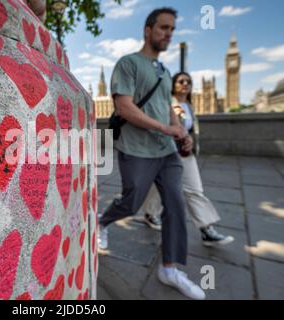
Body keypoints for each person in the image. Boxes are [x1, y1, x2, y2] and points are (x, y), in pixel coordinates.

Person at [98, 8, 205, 300]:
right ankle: (103, 221)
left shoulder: (165, 72)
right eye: (163, 28)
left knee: (176, 205)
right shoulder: (128, 63)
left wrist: (179, 131)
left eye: (172, 29)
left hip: (166, 152)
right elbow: (125, 108)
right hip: (136, 150)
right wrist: (164, 128)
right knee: (131, 202)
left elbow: (168, 107)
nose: (169, 34)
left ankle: (170, 268)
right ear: (148, 30)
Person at [142, 72, 235, 247]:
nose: (186, 84)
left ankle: (206, 229)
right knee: (160, 187)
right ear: (173, 84)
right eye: (181, 81)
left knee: (194, 190)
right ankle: (150, 213)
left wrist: (190, 138)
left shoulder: (189, 105)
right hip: (167, 153)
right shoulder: (166, 103)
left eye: (188, 82)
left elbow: (189, 129)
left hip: (185, 153)